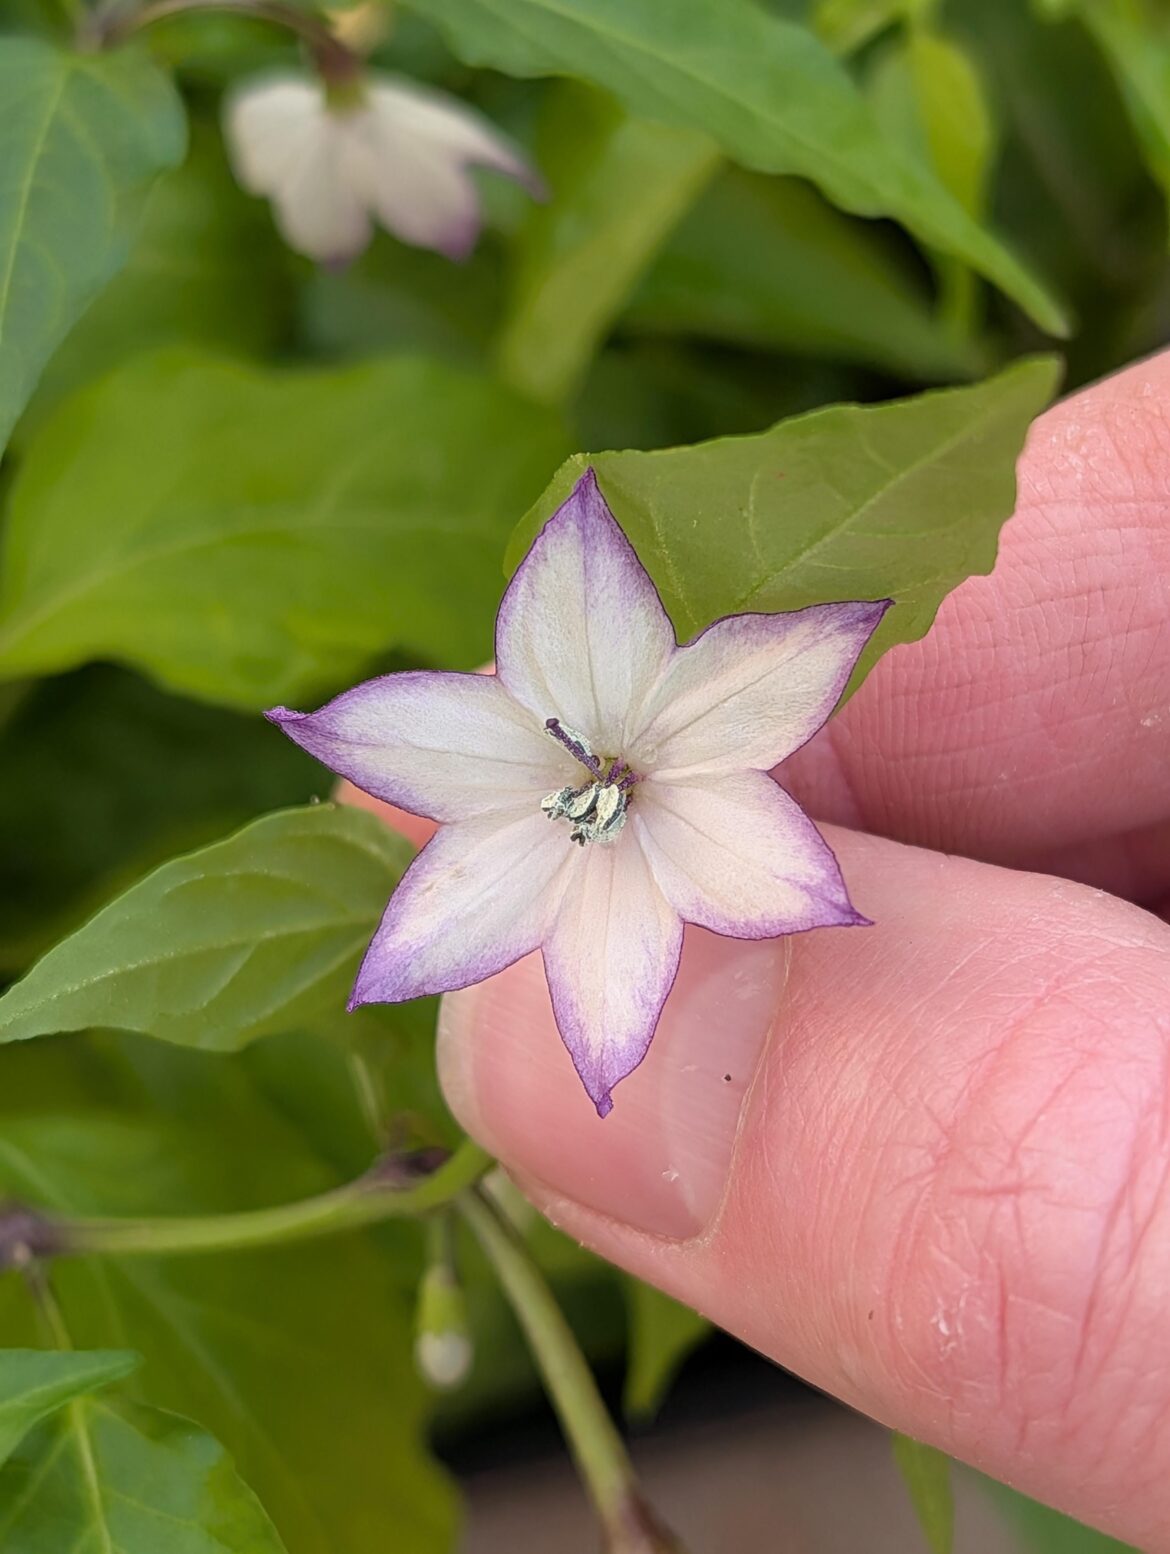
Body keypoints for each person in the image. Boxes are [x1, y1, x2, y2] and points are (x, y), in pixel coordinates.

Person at [343, 350, 1170, 1551]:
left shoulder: (681, 727)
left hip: (659, 763)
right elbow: (453, 917)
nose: (594, 796)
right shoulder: (557, 772)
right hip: (631, 773)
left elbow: (774, 821)